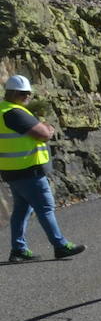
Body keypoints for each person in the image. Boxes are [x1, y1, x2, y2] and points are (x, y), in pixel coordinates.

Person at [2, 75, 85, 262]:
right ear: (13, 93)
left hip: (12, 171)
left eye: (28, 93)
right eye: (24, 93)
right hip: (28, 169)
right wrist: (48, 128)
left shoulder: (3, 110)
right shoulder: (14, 113)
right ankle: (60, 245)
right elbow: (43, 134)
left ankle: (18, 250)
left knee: (22, 210)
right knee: (45, 207)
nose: (27, 96)